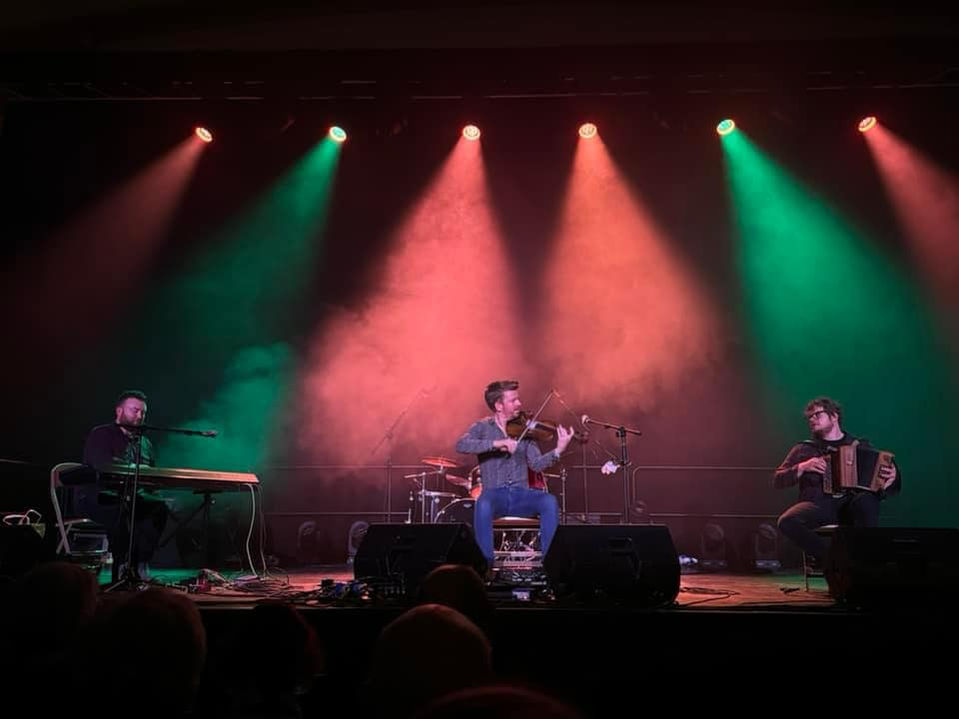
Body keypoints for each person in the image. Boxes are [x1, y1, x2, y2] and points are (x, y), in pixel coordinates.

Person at [455, 380, 572, 569]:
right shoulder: (482, 427)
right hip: (494, 495)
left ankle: (550, 565)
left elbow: (536, 464)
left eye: (518, 399)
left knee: (549, 501)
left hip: (521, 495)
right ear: (498, 405)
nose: (519, 404)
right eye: (513, 400)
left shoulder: (524, 430)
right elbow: (461, 445)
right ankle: (486, 566)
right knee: (482, 503)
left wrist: (558, 450)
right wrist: (496, 444)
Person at [775, 396, 901, 564]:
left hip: (852, 503)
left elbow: (883, 477)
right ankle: (836, 560)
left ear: (834, 416)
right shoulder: (804, 449)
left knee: (867, 501)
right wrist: (802, 467)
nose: (812, 419)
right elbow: (778, 479)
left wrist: (893, 476)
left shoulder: (859, 445)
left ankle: (868, 563)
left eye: (817, 414)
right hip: (819, 504)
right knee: (787, 521)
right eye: (809, 417)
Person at [80, 389, 168, 579]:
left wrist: (159, 492)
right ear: (119, 411)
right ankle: (122, 566)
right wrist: (135, 468)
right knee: (124, 510)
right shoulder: (101, 434)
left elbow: (152, 475)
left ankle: (141, 562)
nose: (140, 416)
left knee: (159, 507)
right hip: (101, 497)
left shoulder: (145, 443)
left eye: (143, 412)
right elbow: (102, 464)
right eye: (134, 410)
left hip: (135, 497)